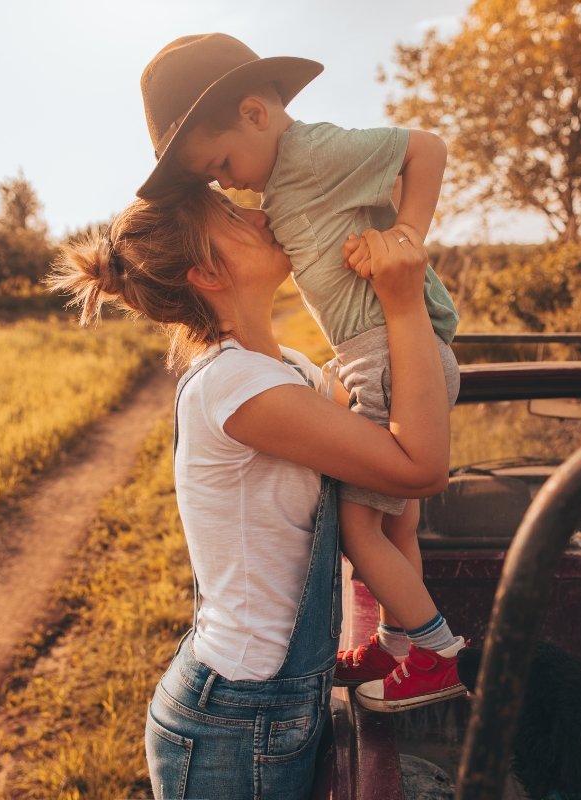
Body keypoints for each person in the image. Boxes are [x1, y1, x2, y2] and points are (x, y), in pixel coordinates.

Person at [46, 182, 450, 799]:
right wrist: (402, 306)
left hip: (269, 697)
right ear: (207, 272)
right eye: (233, 217)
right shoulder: (238, 386)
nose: (261, 214)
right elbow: (418, 467)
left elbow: (391, 467)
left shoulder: (288, 368)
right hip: (235, 716)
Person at [134, 33, 466, 712]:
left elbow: (424, 148)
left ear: (255, 114)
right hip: (382, 354)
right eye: (217, 192)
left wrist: (406, 235)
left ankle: (430, 652)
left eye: (222, 169)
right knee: (393, 525)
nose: (231, 189)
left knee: (361, 525)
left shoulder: (310, 156)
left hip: (387, 352)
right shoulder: (247, 377)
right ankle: (403, 646)